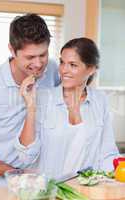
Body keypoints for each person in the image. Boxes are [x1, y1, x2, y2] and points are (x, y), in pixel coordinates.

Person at [20, 37, 119, 179]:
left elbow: (107, 152)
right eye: (62, 62)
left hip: (83, 192)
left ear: (91, 69)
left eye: (73, 65)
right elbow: (25, 157)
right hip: (47, 191)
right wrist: (31, 108)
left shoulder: (100, 100)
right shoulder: (42, 98)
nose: (64, 70)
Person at [0, 13, 60, 186]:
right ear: (12, 50)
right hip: (0, 184)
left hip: (42, 183)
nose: (38, 64)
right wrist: (15, 173)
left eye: (43, 55)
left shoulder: (52, 70)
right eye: (30, 57)